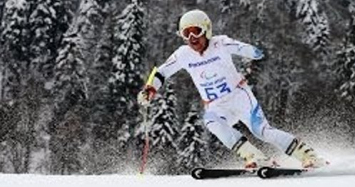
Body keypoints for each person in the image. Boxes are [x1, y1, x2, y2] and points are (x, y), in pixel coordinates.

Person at [137, 9, 327, 169]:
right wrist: (149, 89)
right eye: (186, 34)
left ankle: (307, 155)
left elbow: (241, 47)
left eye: (196, 31)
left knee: (261, 131)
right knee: (212, 122)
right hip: (216, 105)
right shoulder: (183, 54)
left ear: (207, 30)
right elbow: (161, 72)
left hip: (239, 97)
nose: (192, 38)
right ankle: (256, 157)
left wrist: (253, 52)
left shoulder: (220, 43)